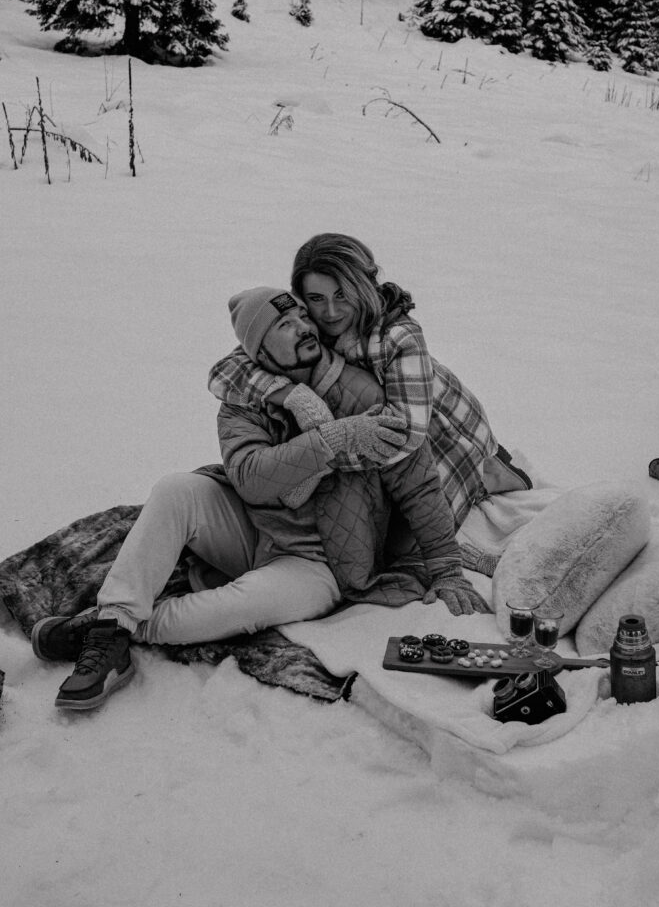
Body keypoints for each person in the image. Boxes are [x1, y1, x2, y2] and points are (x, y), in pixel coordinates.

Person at [32, 287, 488, 710]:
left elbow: (418, 484)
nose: (304, 327)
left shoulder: (362, 391)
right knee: (176, 489)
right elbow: (251, 478)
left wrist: (447, 569)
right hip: (254, 529)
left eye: (300, 316)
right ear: (260, 351)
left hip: (320, 562)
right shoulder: (243, 401)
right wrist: (332, 439)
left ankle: (111, 627)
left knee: (242, 607)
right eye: (283, 326)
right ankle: (114, 630)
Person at [209, 234, 532, 537]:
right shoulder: (307, 326)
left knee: (408, 542)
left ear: (362, 287)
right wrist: (290, 394)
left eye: (341, 295)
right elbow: (228, 370)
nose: (331, 312)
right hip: (364, 433)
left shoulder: (399, 336)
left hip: (444, 436)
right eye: (316, 299)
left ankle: (491, 473)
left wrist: (313, 459)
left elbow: (403, 437)